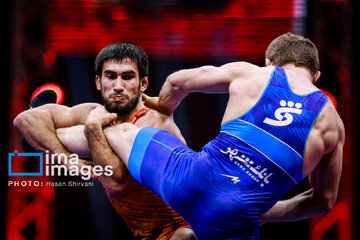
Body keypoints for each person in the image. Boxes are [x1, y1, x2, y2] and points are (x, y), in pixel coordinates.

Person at [73, 33, 344, 239]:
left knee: (117, 128)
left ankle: (62, 140)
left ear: (269, 62)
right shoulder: (332, 123)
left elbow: (178, 81)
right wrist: (266, 214)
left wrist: (165, 108)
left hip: (190, 177)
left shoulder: (254, 74)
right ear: (316, 76)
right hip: (235, 219)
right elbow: (324, 201)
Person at [13, 42, 196, 240]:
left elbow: (117, 186)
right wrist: (68, 160)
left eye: (127, 77)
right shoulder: (94, 111)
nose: (118, 86)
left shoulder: (154, 122)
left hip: (187, 227)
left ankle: (47, 131)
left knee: (185, 237)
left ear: (143, 84)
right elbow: (24, 120)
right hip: (146, 233)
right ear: (99, 82)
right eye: (111, 77)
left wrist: (93, 129)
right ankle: (48, 127)